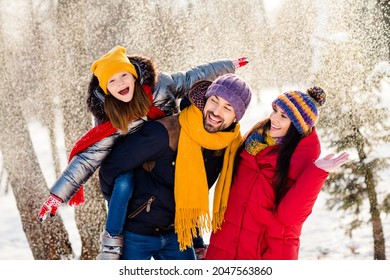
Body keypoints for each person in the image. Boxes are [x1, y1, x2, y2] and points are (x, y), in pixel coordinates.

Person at [37, 46, 248, 259]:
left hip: (171, 151)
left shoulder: (162, 87)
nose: (119, 83)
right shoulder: (111, 117)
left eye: (123, 75)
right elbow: (88, 159)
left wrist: (228, 66)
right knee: (125, 183)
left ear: (135, 75)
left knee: (187, 181)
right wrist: (58, 195)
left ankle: (195, 240)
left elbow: (192, 76)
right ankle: (111, 243)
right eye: (112, 81)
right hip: (132, 165)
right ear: (106, 89)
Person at [98, 74, 253, 260]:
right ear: (205, 99)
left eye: (227, 108)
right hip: (137, 234)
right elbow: (111, 167)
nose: (216, 111)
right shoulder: (165, 132)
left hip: (178, 234)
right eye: (214, 101)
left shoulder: (226, 147)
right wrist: (124, 207)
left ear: (237, 116)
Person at [205, 86, 350, 260]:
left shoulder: (299, 160)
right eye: (275, 111)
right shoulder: (254, 141)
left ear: (297, 126)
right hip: (225, 247)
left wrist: (316, 174)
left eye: (283, 116)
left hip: (265, 252)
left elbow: (289, 217)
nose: (273, 118)